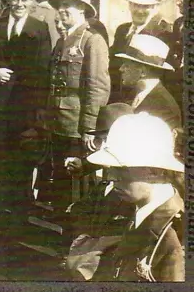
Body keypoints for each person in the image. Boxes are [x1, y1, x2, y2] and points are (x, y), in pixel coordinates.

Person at [0, 0, 52, 223]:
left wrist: (37, 107)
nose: (19, 4)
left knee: (23, 156)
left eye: (23, 0)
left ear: (31, 2)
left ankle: (22, 210)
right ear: (8, 1)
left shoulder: (39, 28)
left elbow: (42, 69)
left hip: (24, 103)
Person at [87, 112, 184, 281]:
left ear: (154, 171)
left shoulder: (174, 237)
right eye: (111, 168)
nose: (110, 177)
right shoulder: (144, 213)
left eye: (122, 169)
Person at [39, 0, 110, 211]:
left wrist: (90, 128)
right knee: (61, 183)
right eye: (59, 6)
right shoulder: (62, 41)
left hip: (78, 127)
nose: (61, 10)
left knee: (78, 186)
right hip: (58, 124)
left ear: (82, 9)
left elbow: (97, 88)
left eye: (67, 5)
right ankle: (63, 235)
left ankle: (79, 238)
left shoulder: (92, 40)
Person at [64, 103, 135, 281]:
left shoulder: (133, 189)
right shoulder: (105, 183)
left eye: (107, 139)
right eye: (99, 140)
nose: (101, 147)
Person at [109, 0, 172, 102]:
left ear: (154, 7)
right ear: (129, 5)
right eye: (136, 5)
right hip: (118, 99)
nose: (139, 11)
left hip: (144, 100)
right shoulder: (122, 30)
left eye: (145, 6)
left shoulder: (162, 33)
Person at [116, 34, 181, 130]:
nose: (121, 69)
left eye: (127, 65)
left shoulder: (166, 108)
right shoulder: (132, 93)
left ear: (143, 72)